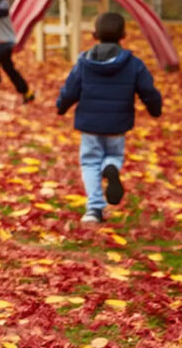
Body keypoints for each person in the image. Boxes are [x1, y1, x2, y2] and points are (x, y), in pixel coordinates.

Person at [56, 12, 162, 224]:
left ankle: (94, 209)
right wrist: (155, 108)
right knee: (113, 155)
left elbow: (70, 89)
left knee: (89, 162)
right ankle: (110, 168)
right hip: (117, 124)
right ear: (123, 34)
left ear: (94, 34)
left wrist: (62, 106)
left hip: (90, 124)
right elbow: (148, 90)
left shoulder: (84, 62)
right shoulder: (133, 64)